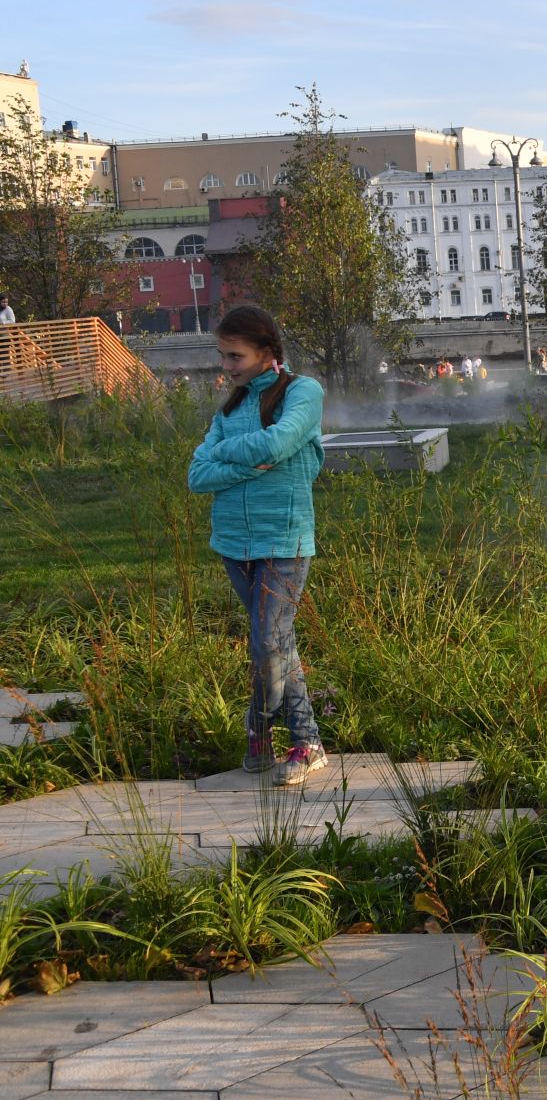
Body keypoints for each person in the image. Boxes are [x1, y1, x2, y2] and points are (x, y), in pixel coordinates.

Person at [186, 305, 329, 788]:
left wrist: (224, 451)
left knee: (269, 643)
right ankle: (307, 744)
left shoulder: (302, 393)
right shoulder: (231, 408)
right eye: (222, 356)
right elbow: (196, 475)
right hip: (232, 544)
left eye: (234, 356)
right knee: (277, 644)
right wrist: (247, 460)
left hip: (283, 541)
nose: (226, 366)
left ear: (267, 351)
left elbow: (279, 444)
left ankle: (261, 728)